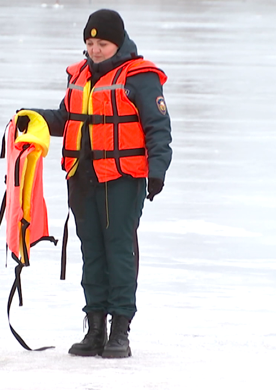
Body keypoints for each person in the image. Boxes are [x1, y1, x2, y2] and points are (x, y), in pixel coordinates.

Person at [18, 9, 172, 358]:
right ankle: (95, 327)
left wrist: (158, 170)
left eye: (102, 43)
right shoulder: (79, 76)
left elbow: (158, 129)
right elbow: (66, 118)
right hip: (82, 177)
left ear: (117, 42)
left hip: (122, 178)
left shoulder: (141, 77)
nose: (95, 50)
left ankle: (120, 330)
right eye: (90, 43)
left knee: (119, 250)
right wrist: (31, 118)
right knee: (92, 253)